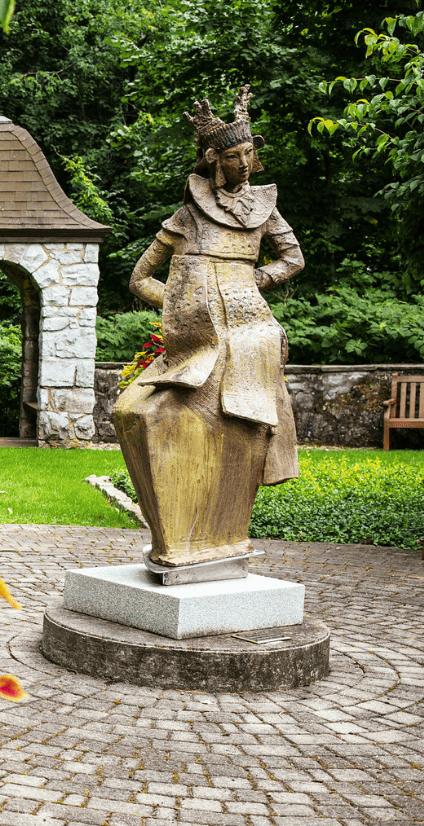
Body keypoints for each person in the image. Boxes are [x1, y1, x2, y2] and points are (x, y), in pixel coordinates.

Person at [113, 86, 304, 568]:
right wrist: (181, 304)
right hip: (196, 336)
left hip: (250, 328)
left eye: (249, 153)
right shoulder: (187, 216)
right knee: (135, 412)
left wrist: (257, 280)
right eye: (234, 156)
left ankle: (220, 531)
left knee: (240, 417)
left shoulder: (263, 209)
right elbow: (139, 278)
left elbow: (293, 259)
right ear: (215, 159)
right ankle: (177, 536)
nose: (244, 164)